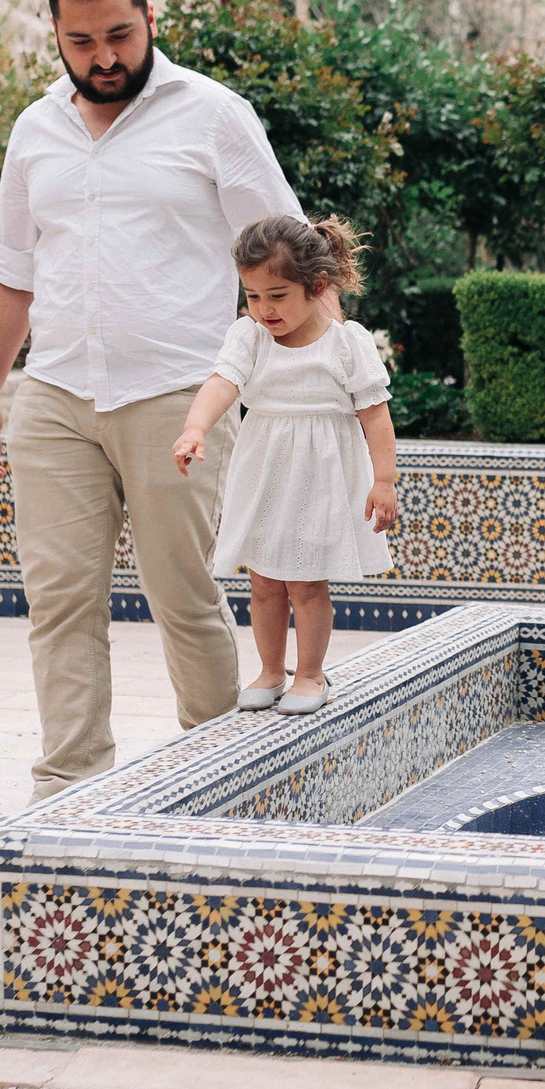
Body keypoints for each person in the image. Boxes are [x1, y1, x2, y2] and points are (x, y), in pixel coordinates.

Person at [0, 0, 307, 801]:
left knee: (184, 596)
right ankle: (69, 790)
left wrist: (312, 378)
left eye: (120, 34)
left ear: (151, 21)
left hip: (176, 394)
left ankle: (222, 779)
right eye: (82, 41)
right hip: (56, 392)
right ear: (57, 36)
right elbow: (10, 267)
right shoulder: (34, 129)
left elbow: (285, 248)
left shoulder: (213, 116)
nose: (104, 56)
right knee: (59, 603)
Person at [171, 215, 400, 715]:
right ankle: (271, 670)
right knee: (264, 579)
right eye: (253, 296)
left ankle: (311, 674)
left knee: (306, 580)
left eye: (277, 295)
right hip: (264, 473)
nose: (264, 309)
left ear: (316, 287)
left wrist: (384, 480)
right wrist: (195, 427)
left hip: (322, 478)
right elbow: (222, 383)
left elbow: (375, 415)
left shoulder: (345, 344)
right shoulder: (249, 338)